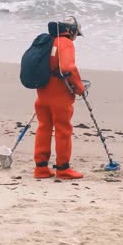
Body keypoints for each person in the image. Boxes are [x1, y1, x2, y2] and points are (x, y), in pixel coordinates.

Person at [34, 16, 88, 180]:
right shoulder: (65, 43)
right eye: (76, 34)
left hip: (42, 93)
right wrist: (79, 87)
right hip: (59, 96)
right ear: (71, 31)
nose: (75, 38)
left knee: (43, 127)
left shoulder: (48, 41)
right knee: (63, 130)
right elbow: (68, 67)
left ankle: (41, 169)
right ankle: (63, 169)